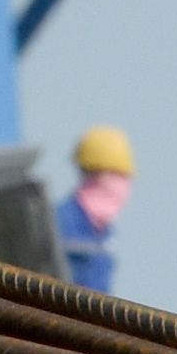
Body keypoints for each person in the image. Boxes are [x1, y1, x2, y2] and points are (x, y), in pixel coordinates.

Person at [56, 123, 135, 293]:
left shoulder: (106, 233)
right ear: (90, 175)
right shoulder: (60, 221)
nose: (120, 187)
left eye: (124, 177)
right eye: (113, 175)